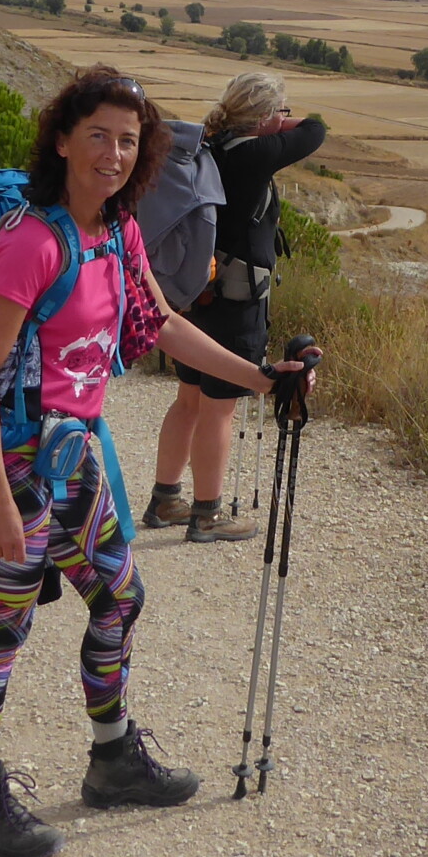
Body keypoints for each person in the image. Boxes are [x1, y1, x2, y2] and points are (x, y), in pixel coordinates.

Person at [0, 66, 318, 857]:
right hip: (14, 465)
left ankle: (111, 759)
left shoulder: (117, 233)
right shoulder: (32, 241)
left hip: (76, 451)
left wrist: (260, 379)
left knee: (119, 597)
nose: (114, 154)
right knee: (2, 628)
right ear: (62, 139)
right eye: (99, 136)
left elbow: (161, 328)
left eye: (128, 139)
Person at [146, 71, 327, 542]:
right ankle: (207, 514)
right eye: (279, 111)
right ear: (265, 117)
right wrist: (281, 125)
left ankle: (165, 499)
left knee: (189, 399)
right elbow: (316, 129)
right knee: (220, 409)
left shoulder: (211, 147)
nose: (286, 118)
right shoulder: (251, 154)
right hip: (237, 300)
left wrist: (264, 122)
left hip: (197, 295)